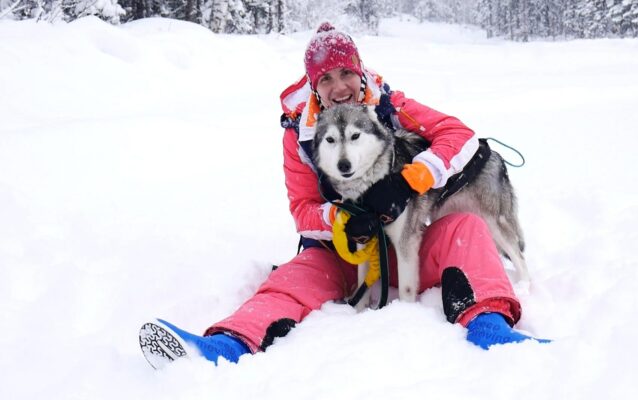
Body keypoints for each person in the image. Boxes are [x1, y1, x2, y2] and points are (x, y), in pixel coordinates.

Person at [139, 22, 549, 369]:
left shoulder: (389, 105)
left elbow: (458, 136)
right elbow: (302, 210)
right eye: (326, 79)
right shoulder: (299, 134)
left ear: (361, 73)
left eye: (346, 74)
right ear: (315, 87)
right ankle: (222, 347)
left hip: (405, 245)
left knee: (467, 228)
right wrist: (339, 220)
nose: (339, 87)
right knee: (292, 277)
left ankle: (490, 329)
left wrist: (408, 180)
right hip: (343, 253)